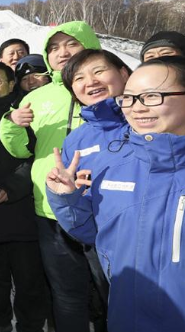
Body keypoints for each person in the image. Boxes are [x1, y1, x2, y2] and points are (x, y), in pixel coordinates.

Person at [46, 56, 185, 332]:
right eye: (130, 99)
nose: (138, 108)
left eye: (152, 96)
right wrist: (67, 198)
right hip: (126, 315)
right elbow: (94, 232)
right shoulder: (115, 167)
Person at [0, 21, 101, 332]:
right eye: (54, 47)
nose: (62, 52)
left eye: (71, 43)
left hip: (105, 207)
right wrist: (12, 122)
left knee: (110, 291)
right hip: (51, 208)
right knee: (67, 294)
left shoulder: (111, 88)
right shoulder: (39, 95)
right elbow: (18, 150)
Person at [0, 61, 48, 332]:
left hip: (20, 206)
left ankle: (30, 324)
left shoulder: (27, 111)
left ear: (12, 84)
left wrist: (12, 188)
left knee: (28, 275)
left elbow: (39, 156)